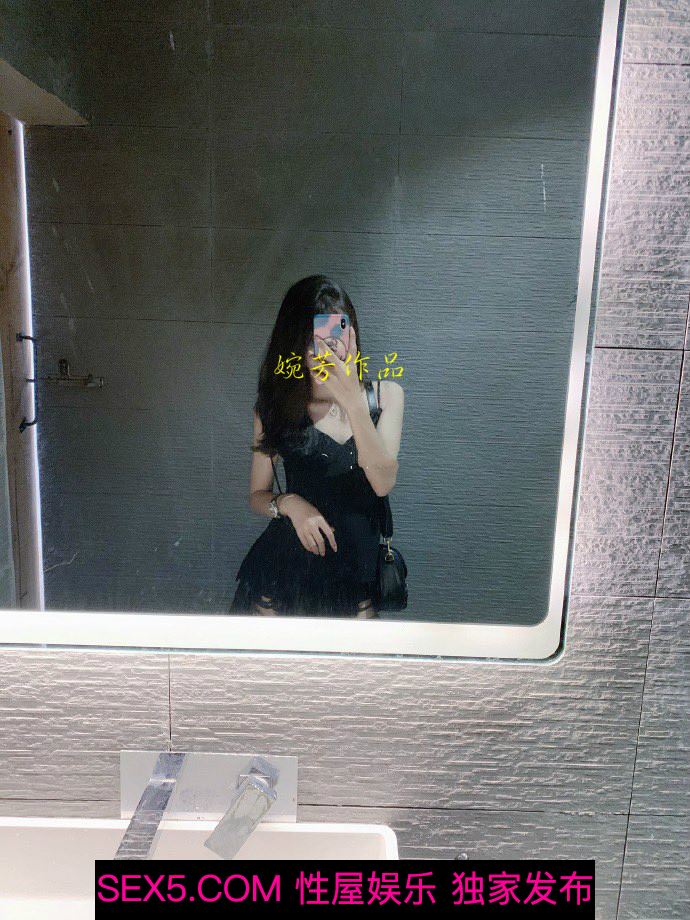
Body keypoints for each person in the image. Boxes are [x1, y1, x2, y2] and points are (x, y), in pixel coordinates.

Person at [229, 275, 404, 618]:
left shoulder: (386, 397)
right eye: (314, 339)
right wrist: (290, 504)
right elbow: (256, 495)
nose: (327, 349)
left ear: (351, 334)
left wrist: (352, 402)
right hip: (283, 577)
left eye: (337, 332)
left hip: (356, 579)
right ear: (295, 343)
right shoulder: (275, 406)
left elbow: (382, 482)